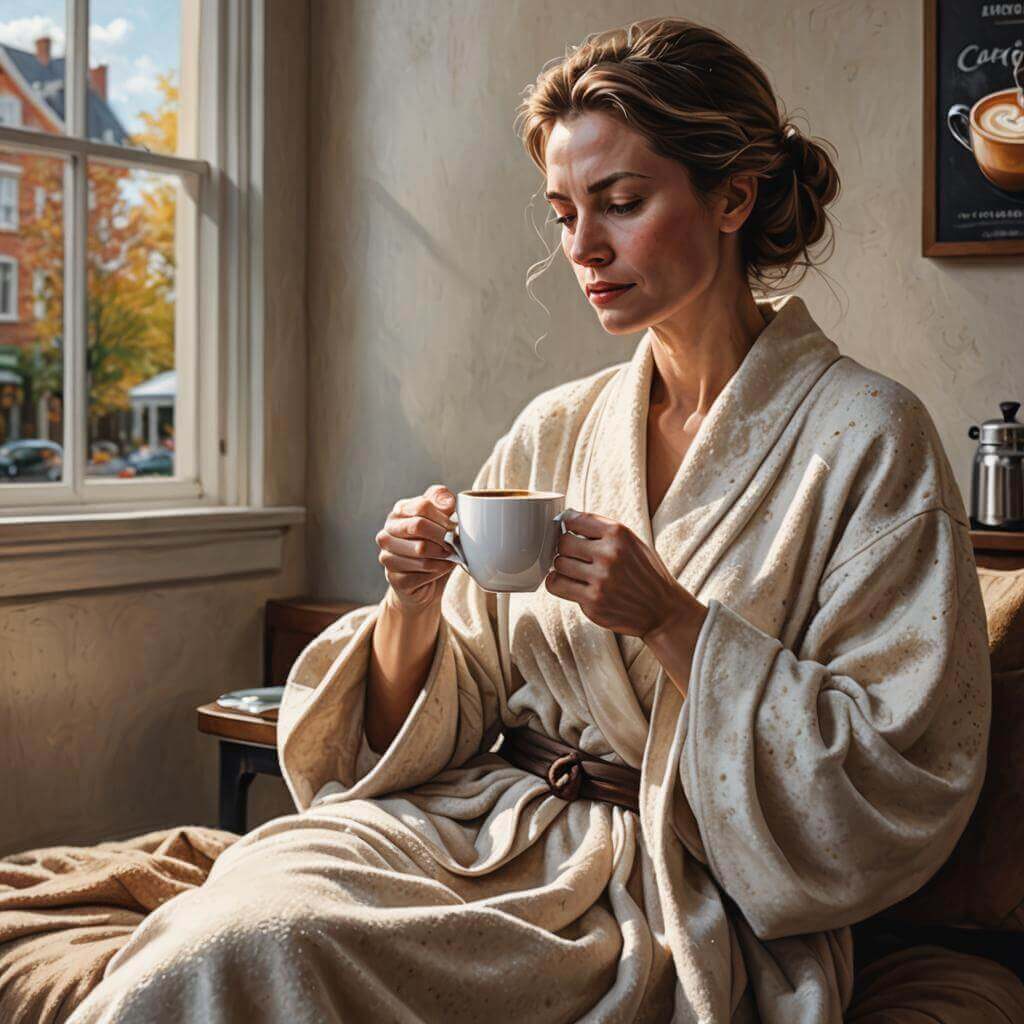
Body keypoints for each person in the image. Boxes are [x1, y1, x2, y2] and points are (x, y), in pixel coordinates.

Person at [67, 17, 1020, 1023]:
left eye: (621, 203)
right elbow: (434, 714)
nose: (582, 247)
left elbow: (892, 778)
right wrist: (411, 606)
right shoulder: (556, 427)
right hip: (476, 825)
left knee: (269, 943)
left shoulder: (869, 436)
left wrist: (670, 619)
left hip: (658, 884)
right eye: (565, 212)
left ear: (733, 197)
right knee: (227, 919)